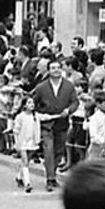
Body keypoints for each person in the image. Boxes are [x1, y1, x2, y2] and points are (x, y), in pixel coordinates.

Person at [33, 59, 79, 192]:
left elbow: (75, 102)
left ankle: (52, 174)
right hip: (47, 123)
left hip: (62, 123)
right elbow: (33, 102)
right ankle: (50, 178)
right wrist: (38, 115)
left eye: (58, 67)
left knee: (59, 150)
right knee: (48, 149)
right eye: (53, 68)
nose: (56, 70)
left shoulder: (69, 86)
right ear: (48, 71)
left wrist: (69, 110)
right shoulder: (41, 87)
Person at [12, 98, 40, 193]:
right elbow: (16, 130)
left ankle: (19, 176)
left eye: (33, 102)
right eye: (29, 102)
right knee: (25, 161)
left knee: (26, 161)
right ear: (24, 105)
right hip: (22, 142)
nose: (32, 104)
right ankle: (27, 183)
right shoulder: (20, 117)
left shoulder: (35, 116)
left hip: (32, 142)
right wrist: (17, 142)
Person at [86, 90, 105, 160]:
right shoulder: (95, 118)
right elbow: (93, 137)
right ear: (98, 104)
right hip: (96, 149)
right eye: (104, 103)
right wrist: (104, 141)